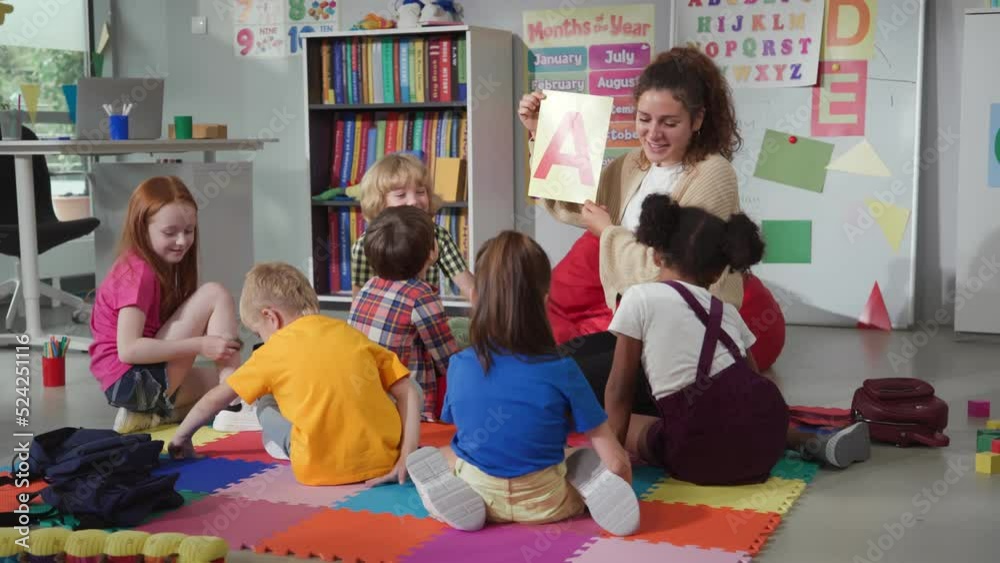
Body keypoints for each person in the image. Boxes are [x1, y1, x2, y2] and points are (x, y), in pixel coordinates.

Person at [517, 46, 785, 371]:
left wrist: (607, 232)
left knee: (571, 378)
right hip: (640, 325)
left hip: (688, 332)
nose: (653, 134)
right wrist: (539, 131)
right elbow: (572, 202)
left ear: (697, 120)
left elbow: (676, 273)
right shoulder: (635, 163)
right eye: (644, 119)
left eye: (669, 123)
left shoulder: (713, 173)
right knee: (548, 366)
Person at [599, 195, 868, 484]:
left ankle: (619, 462)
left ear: (655, 255)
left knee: (626, 424)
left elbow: (619, 388)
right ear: (718, 272)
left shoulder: (639, 296)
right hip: (766, 430)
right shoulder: (727, 311)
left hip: (699, 453)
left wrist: (613, 462)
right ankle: (805, 441)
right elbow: (753, 378)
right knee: (738, 415)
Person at [406, 231, 639, 536]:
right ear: (543, 302)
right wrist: (624, 481)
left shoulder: (459, 364)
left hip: (482, 495)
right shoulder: (563, 368)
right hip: (548, 504)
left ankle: (440, 493)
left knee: (451, 454)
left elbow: (463, 433)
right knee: (582, 457)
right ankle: (586, 490)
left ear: (476, 298)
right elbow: (615, 462)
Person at [168, 262, 422, 487]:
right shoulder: (350, 332)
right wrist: (405, 457)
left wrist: (182, 436)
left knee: (265, 401)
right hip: (385, 459)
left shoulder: (271, 352)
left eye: (259, 333)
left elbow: (216, 399)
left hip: (317, 466)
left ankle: (282, 442)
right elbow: (408, 391)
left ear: (271, 317)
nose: (262, 340)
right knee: (404, 384)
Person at [88, 176, 254, 434]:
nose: (182, 241)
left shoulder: (151, 266)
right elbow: (128, 350)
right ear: (142, 227)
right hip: (133, 381)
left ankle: (149, 417)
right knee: (215, 293)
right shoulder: (137, 273)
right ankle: (235, 406)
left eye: (189, 231)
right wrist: (201, 345)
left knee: (244, 381)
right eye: (170, 232)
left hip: (133, 387)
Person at [349, 206, 460, 421]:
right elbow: (449, 360)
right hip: (409, 412)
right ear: (432, 251)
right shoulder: (420, 296)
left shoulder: (369, 285)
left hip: (367, 400)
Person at [351, 153, 474, 300]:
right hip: (383, 318)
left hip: (426, 314)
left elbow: (470, 288)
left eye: (420, 192)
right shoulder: (365, 245)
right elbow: (359, 300)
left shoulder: (438, 236)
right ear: (379, 203)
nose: (413, 201)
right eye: (401, 195)